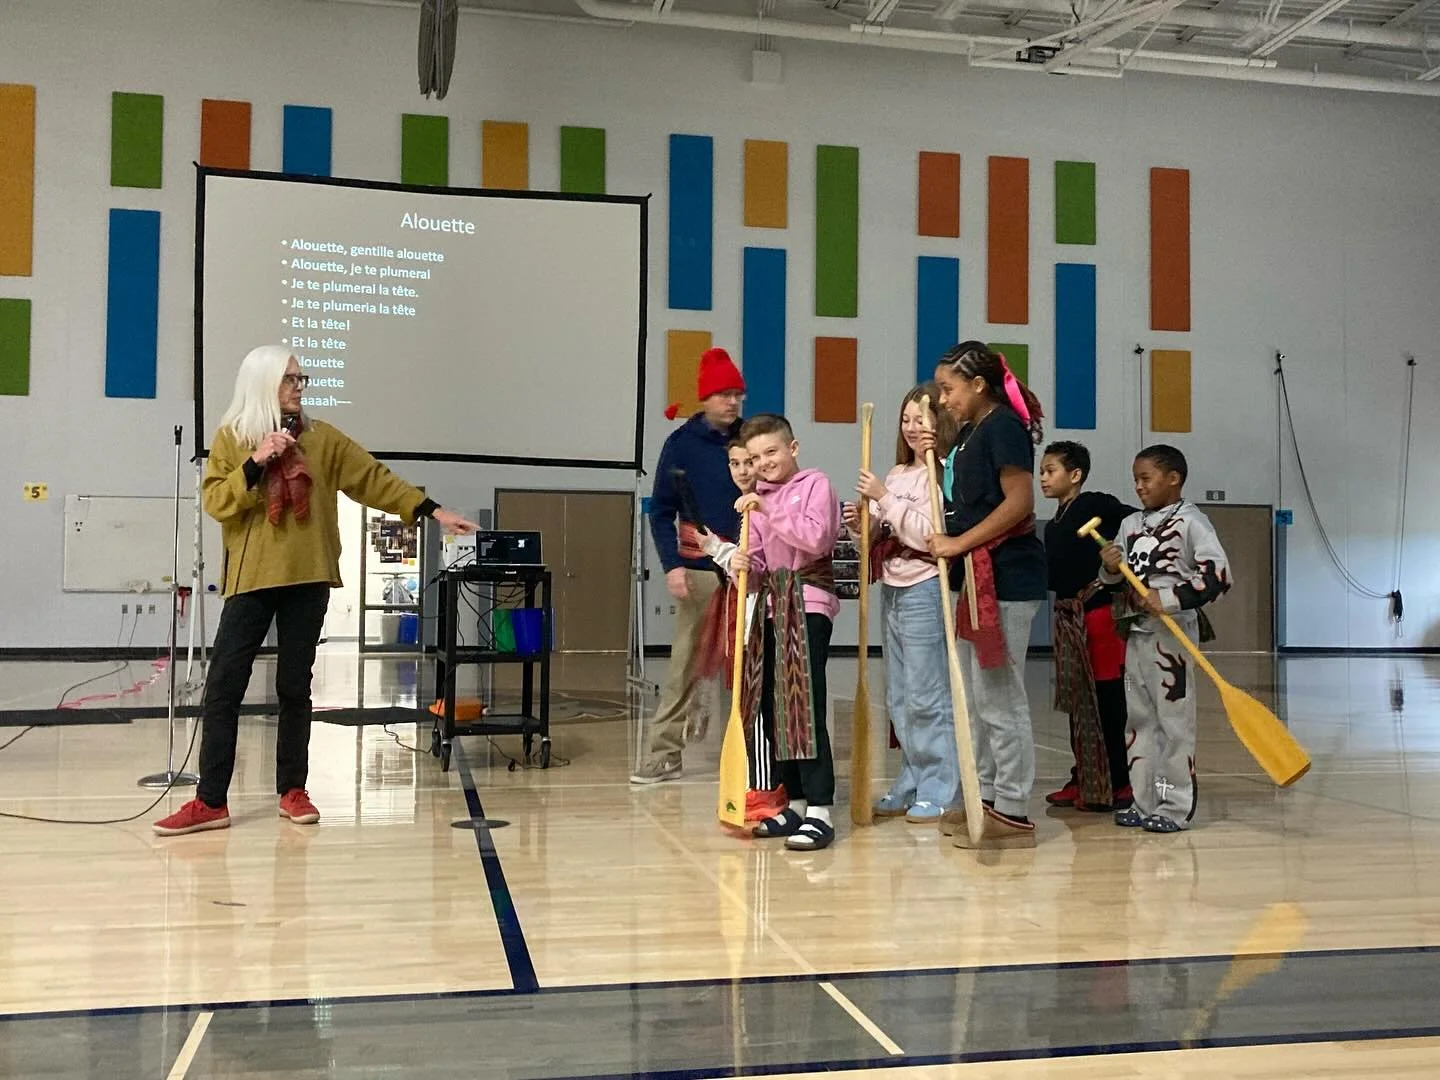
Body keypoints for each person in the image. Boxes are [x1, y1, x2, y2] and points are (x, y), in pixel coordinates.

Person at [154, 345, 478, 836]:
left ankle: (292, 789)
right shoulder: (233, 438)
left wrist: (431, 510)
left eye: (301, 378)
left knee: (294, 687)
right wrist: (257, 460)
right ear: (263, 383)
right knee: (224, 688)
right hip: (253, 580)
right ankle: (210, 801)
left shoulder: (323, 440)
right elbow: (218, 502)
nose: (299, 386)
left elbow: (375, 479)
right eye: (289, 379)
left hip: (308, 578)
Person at [923, 341, 1047, 848]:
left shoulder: (1003, 428)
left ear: (978, 385)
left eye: (948, 389)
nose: (943, 398)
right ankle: (988, 797)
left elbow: (1019, 501)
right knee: (976, 700)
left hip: (1006, 577)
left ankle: (1014, 808)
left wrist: (958, 543)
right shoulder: (971, 432)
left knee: (1000, 696)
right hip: (973, 577)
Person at [842, 384, 958, 824]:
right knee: (901, 696)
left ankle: (939, 788)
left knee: (928, 695)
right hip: (892, 588)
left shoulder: (941, 472)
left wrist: (883, 499)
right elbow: (884, 537)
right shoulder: (895, 473)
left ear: (939, 424)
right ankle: (911, 778)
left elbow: (930, 534)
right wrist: (862, 524)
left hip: (926, 588)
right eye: (906, 419)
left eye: (921, 419)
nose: (911, 427)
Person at [1099, 445, 1230, 833]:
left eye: (1146, 478)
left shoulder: (1193, 522)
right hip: (1136, 632)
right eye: (1135, 479)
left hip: (1173, 636)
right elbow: (1116, 578)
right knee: (1139, 721)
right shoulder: (1130, 524)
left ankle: (1174, 805)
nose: (1138, 487)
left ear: (1173, 478)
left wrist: (1168, 598)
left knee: (1173, 722)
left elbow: (1218, 575)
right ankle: (1144, 801)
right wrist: (1109, 569)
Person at [631, 348, 746, 785]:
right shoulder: (679, 445)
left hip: (748, 567)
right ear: (704, 397)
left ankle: (749, 756)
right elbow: (661, 511)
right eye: (722, 394)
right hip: (698, 569)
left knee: (746, 666)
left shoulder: (751, 437)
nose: (731, 402)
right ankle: (665, 753)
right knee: (684, 665)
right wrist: (671, 566)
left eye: (737, 393)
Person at [730, 414, 842, 851]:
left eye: (771, 452)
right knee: (775, 708)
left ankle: (820, 810)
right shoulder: (758, 499)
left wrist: (766, 508)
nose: (763, 463)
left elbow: (815, 540)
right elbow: (758, 562)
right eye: (755, 458)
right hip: (773, 607)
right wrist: (743, 565)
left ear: (792, 448)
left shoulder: (816, 485)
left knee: (804, 705)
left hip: (809, 602)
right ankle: (793, 803)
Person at [1039, 441, 1136, 811]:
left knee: (1107, 701)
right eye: (1042, 471)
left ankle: (1121, 781)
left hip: (1099, 617)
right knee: (1078, 702)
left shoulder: (1095, 504)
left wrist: (1115, 559)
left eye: (1051, 471)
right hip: (1068, 618)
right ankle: (1084, 776)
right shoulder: (1054, 526)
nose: (1043, 478)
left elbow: (1136, 522)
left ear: (1075, 475)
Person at [692, 438, 785, 823]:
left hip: (772, 616)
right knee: (747, 703)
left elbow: (763, 568)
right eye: (735, 464)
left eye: (749, 462)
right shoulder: (744, 510)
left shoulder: (766, 505)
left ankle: (766, 787)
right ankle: (753, 781)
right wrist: (721, 551)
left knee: (762, 705)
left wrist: (723, 552)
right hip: (745, 616)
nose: (744, 471)